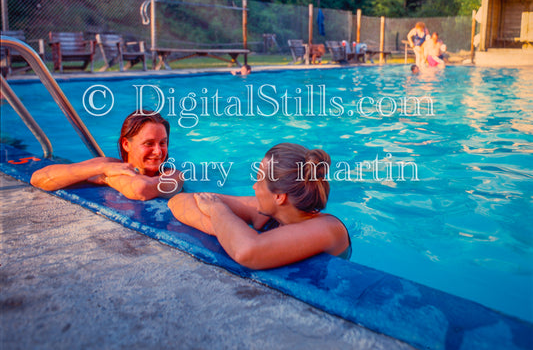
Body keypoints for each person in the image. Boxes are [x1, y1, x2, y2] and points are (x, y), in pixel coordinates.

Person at [168, 143, 351, 270]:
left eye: (258, 180)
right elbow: (180, 200)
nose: (254, 187)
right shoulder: (270, 213)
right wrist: (224, 229)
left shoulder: (329, 229)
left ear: (279, 196)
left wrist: (218, 211)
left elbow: (246, 251)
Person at [31, 112, 183, 200]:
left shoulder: (173, 175)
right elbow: (38, 178)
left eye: (162, 143)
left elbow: (141, 189)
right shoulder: (108, 165)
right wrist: (101, 167)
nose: (158, 151)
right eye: (149, 144)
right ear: (126, 144)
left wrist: (103, 176)